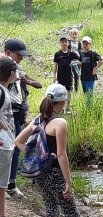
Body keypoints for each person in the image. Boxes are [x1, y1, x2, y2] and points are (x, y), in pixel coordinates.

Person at [14, 83, 80, 216]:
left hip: (40, 173)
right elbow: (61, 155)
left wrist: (35, 159)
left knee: (51, 210)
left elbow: (18, 141)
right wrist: (68, 181)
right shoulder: (60, 123)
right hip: (56, 174)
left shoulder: (37, 120)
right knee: (71, 213)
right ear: (62, 102)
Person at [4, 38, 42, 198]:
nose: (21, 59)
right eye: (19, 55)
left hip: (18, 112)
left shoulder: (18, 70)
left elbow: (37, 84)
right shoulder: (3, 71)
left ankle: (11, 184)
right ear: (8, 53)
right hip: (5, 114)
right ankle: (3, 185)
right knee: (4, 149)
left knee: (15, 149)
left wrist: (27, 80)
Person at [0, 57, 17, 217]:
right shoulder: (0, 91)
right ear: (12, 74)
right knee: (1, 187)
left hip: (6, 143)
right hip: (2, 144)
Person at [53, 36, 79, 114]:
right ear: (60, 43)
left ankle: (68, 108)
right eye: (62, 42)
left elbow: (79, 58)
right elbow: (55, 65)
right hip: (60, 76)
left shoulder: (71, 53)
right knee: (60, 92)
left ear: (68, 43)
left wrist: (74, 62)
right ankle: (61, 108)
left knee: (68, 92)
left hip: (69, 76)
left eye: (65, 42)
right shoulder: (57, 54)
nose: (64, 43)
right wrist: (54, 76)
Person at [68, 28, 82, 92]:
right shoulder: (68, 42)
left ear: (78, 35)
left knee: (77, 76)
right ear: (70, 35)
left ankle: (76, 90)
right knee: (69, 76)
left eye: (75, 34)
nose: (74, 36)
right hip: (69, 61)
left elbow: (82, 52)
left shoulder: (80, 43)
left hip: (77, 62)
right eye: (73, 34)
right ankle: (70, 89)